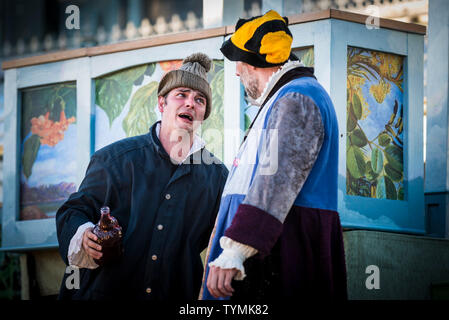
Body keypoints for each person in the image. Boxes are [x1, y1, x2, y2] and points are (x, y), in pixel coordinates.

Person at [56, 53, 228, 300]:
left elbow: (227, 237)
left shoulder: (217, 178)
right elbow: (74, 210)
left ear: (203, 114)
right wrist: (84, 235)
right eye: (181, 94)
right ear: (161, 104)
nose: (191, 103)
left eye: (199, 99)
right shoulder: (116, 159)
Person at [201, 10, 347, 301]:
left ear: (257, 64)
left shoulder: (297, 98)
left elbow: (276, 179)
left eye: (240, 63)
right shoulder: (289, 96)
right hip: (272, 250)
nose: (236, 71)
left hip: (281, 257)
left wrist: (237, 248)